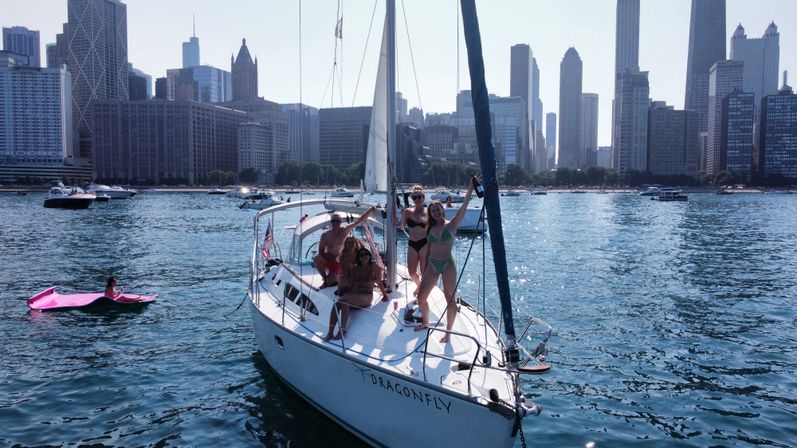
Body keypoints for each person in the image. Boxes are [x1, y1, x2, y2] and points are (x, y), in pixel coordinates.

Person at [415, 175, 479, 343]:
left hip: (448, 265)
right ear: (431, 214)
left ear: (442, 210)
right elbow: (428, 250)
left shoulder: (451, 225)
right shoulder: (430, 230)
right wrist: (425, 268)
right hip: (432, 266)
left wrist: (471, 188)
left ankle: (448, 332)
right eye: (433, 211)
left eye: (438, 210)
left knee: (449, 298)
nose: (436, 213)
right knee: (421, 298)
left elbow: (464, 207)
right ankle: (425, 322)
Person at [323, 248, 388, 341]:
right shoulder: (354, 268)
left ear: (369, 256)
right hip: (355, 293)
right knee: (337, 304)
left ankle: (342, 330)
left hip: (366, 295)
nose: (364, 256)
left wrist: (385, 295)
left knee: (345, 302)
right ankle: (330, 332)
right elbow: (352, 284)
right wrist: (344, 291)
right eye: (361, 255)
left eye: (366, 254)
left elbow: (379, 283)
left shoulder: (375, 268)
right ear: (359, 258)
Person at [313, 207, 375, 288]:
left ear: (340, 222)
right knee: (316, 258)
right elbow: (321, 251)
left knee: (331, 281)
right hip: (329, 260)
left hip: (340, 262)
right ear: (331, 222)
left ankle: (332, 278)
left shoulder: (345, 231)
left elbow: (359, 221)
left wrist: (371, 209)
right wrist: (332, 258)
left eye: (337, 221)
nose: (335, 223)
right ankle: (325, 280)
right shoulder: (325, 235)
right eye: (333, 221)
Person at [398, 186, 428, 294]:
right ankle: (419, 285)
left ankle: (422, 293)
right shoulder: (408, 212)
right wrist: (403, 215)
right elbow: (401, 227)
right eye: (414, 198)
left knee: (424, 273)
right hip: (412, 244)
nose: (417, 199)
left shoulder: (428, 212)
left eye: (419, 197)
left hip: (424, 243)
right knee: (411, 273)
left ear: (423, 197)